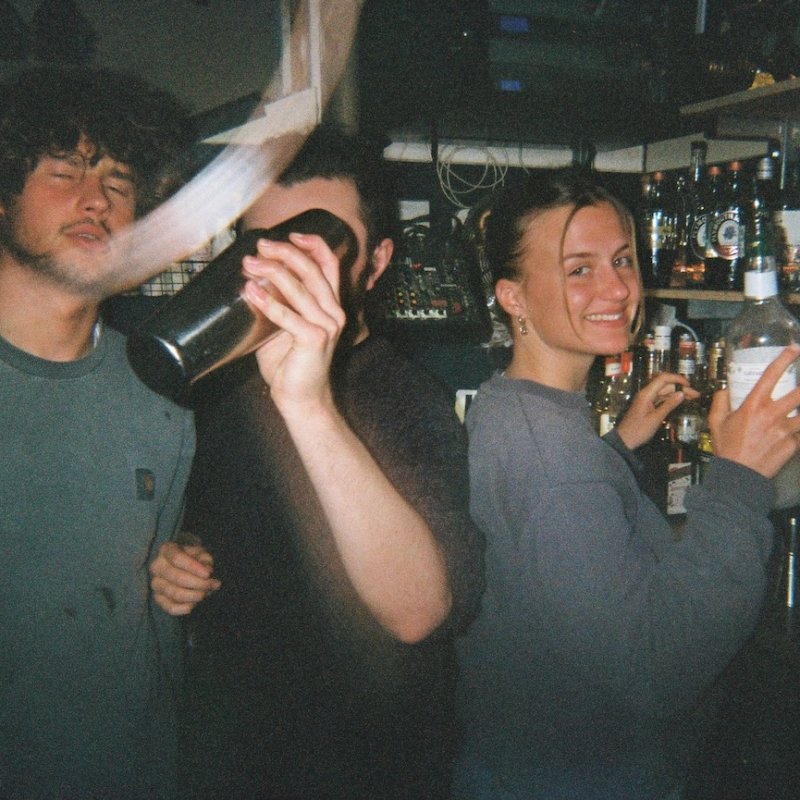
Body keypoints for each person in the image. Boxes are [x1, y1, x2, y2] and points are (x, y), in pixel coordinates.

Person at [149, 125, 485, 799]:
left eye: (316, 244)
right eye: (264, 245)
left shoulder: (408, 399)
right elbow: (227, 540)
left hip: (363, 768)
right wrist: (176, 560)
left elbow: (421, 610)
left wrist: (308, 405)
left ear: (377, 260)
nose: (285, 270)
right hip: (235, 760)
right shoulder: (221, 386)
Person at [453, 169, 800, 799]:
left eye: (622, 260)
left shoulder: (514, 404)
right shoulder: (553, 458)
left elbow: (551, 545)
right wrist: (740, 479)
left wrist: (617, 448)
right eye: (578, 269)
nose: (617, 288)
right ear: (513, 297)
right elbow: (660, 669)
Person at [0, 66, 198, 799]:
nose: (96, 201)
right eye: (65, 172)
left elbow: (151, 566)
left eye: (119, 183)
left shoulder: (163, 392)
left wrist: (183, 564)